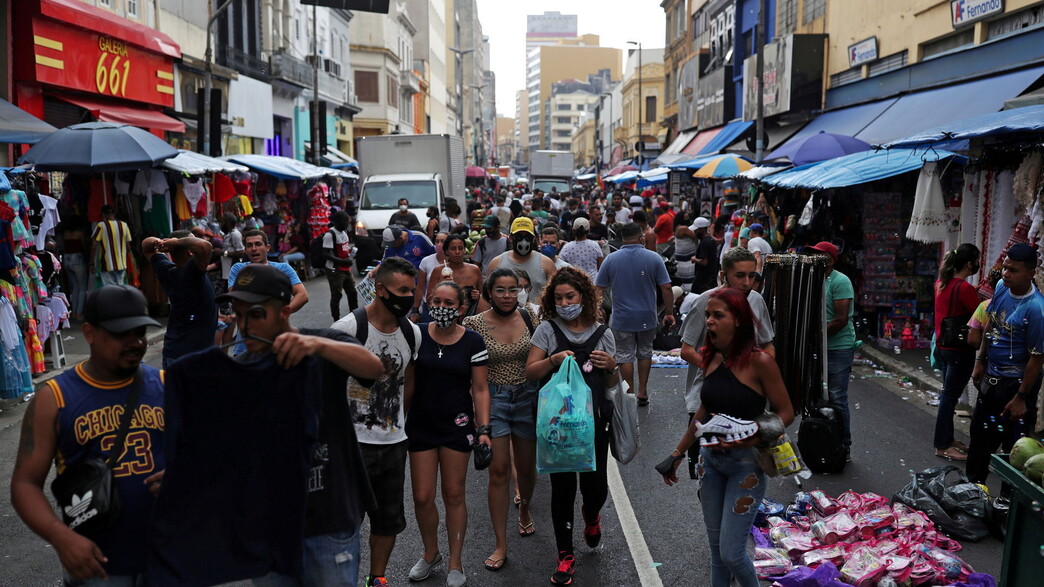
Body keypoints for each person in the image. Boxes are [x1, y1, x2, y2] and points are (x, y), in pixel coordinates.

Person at [11, 285, 163, 583]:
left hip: (166, 560)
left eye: (141, 332)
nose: (136, 342)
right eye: (122, 334)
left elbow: (206, 458)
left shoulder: (166, 384)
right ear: (90, 333)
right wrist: (61, 537)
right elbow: (25, 484)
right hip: (97, 567)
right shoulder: (54, 398)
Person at [661, 288, 794, 587]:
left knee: (733, 554)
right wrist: (678, 453)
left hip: (746, 468)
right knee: (717, 552)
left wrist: (752, 436)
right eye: (708, 314)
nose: (709, 321)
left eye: (717, 315)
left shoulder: (761, 362)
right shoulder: (711, 357)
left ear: (738, 321)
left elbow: (786, 412)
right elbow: (704, 410)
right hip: (710, 464)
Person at [331, 257, 422, 587]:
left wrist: (398, 423)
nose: (408, 297)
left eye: (412, 291)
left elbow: (408, 381)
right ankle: (345, 579)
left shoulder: (412, 333)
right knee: (346, 522)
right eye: (402, 290)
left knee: (388, 520)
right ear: (380, 290)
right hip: (351, 447)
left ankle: (377, 578)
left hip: (393, 445)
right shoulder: (347, 329)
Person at [524, 267, 618, 586]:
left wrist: (613, 367)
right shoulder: (547, 330)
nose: (565, 303)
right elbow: (531, 372)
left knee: (595, 487)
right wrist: (552, 360)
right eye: (559, 298)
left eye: (570, 296)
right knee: (562, 490)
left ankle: (591, 516)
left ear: (584, 296)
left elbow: (615, 382)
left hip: (594, 423)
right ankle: (565, 556)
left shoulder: (602, 332)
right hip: (558, 427)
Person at [407, 281, 491, 587]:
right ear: (429, 302)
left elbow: (480, 389)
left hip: (458, 425)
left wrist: (483, 429)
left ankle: (455, 561)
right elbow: (407, 381)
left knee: (454, 494)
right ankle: (431, 553)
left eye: (449, 302)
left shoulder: (473, 341)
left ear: (460, 307)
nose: (441, 307)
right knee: (422, 495)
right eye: (436, 300)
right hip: (420, 424)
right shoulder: (416, 335)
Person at [462, 269, 540, 573]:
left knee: (526, 468)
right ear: (488, 292)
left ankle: (525, 509)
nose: (507, 296)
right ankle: (500, 544)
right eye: (501, 290)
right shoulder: (473, 324)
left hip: (528, 400)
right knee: (498, 471)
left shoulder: (533, 320)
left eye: (513, 290)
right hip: (492, 400)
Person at [969, 243, 1044, 483]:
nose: (1006, 274)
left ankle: (1007, 505)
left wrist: (1021, 397)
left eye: (1013, 270)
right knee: (980, 440)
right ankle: (973, 493)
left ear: (1031, 273)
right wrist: (980, 360)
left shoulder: (1037, 309)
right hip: (992, 378)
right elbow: (991, 324)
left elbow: (1037, 359)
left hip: (1017, 386)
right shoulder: (1001, 287)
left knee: (1015, 449)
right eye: (1005, 268)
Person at [595, 222, 674, 406]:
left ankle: (629, 390)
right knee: (645, 353)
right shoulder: (654, 258)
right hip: (647, 315)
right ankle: (643, 391)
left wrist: (598, 309)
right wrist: (669, 312)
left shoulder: (611, 259)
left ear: (622, 239)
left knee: (624, 355)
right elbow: (667, 287)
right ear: (642, 238)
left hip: (622, 317)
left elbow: (598, 288)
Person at [932, 244, 981, 461]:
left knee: (948, 395)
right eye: (976, 260)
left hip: (943, 347)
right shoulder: (964, 288)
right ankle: (943, 445)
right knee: (949, 398)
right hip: (959, 350)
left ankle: (948, 440)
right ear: (970, 264)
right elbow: (981, 314)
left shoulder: (942, 283)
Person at [807, 241, 855, 459]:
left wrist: (815, 336)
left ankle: (843, 444)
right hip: (816, 346)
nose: (816, 258)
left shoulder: (840, 281)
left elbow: (841, 319)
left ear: (831, 260)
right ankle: (821, 441)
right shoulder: (810, 279)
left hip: (837, 347)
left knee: (836, 396)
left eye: (820, 255)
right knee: (815, 397)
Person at [142, 232, 217, 368]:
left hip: (175, 352)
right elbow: (205, 247)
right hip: (193, 357)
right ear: (190, 252)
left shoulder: (166, 270)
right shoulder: (191, 273)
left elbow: (146, 245)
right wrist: (175, 243)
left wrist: (162, 243)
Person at [229, 230, 309, 314]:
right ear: (245, 250)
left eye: (258, 244)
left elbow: (302, 295)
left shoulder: (283, 268)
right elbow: (234, 297)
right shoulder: (238, 269)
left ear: (267, 248)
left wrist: (279, 314)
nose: (254, 249)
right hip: (248, 325)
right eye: (249, 245)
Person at [487, 218, 558, 302]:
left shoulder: (547, 264)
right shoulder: (496, 263)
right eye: (519, 237)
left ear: (533, 238)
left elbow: (556, 294)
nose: (523, 242)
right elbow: (487, 297)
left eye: (528, 237)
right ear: (510, 238)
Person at [424, 233, 485, 318]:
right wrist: (442, 287)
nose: (457, 252)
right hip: (444, 318)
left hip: (470, 319)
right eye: (453, 248)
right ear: (446, 251)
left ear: (464, 250)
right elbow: (429, 300)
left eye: (460, 248)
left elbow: (484, 297)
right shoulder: (438, 271)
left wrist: (478, 296)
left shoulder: (474, 270)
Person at [323, 211, 359, 322]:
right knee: (337, 295)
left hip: (345, 268)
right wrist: (343, 261)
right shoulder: (330, 235)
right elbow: (326, 253)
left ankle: (355, 318)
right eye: (345, 222)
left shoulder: (344, 233)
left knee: (352, 292)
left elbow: (344, 248)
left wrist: (351, 254)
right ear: (337, 222)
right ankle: (336, 320)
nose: (347, 224)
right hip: (335, 270)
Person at [89, 205, 132, 287]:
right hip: (122, 264)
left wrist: (91, 263)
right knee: (120, 288)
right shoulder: (124, 225)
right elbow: (128, 247)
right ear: (114, 213)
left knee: (110, 290)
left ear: (103, 215)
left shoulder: (101, 226)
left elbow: (94, 247)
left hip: (106, 264)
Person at [61, 215, 90, 320]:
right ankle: (79, 313)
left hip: (67, 258)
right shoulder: (80, 233)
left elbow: (64, 247)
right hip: (77, 258)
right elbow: (84, 246)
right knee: (82, 287)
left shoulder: (66, 234)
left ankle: (73, 312)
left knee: (74, 287)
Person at [692, 217, 720, 294]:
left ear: (701, 229)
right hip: (710, 279)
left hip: (703, 280)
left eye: (696, 230)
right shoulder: (711, 240)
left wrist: (694, 259)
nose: (694, 232)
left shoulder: (705, 243)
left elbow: (704, 262)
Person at [219, 213, 246, 292]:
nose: (221, 224)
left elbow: (240, 252)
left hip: (231, 267)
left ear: (228, 223)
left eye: (223, 222)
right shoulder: (229, 234)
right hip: (226, 268)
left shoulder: (235, 234)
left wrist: (222, 253)